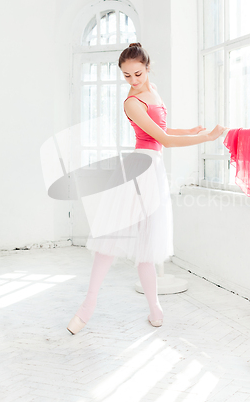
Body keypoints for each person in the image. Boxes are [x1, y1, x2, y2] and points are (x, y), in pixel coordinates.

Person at [67, 43, 226, 335]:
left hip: (152, 169)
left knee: (146, 242)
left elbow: (162, 131)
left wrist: (190, 131)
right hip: (140, 168)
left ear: (147, 68)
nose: (133, 80)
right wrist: (205, 137)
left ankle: (155, 308)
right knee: (113, 236)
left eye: (137, 74)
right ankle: (88, 305)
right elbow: (163, 140)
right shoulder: (132, 102)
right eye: (126, 76)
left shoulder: (152, 91)